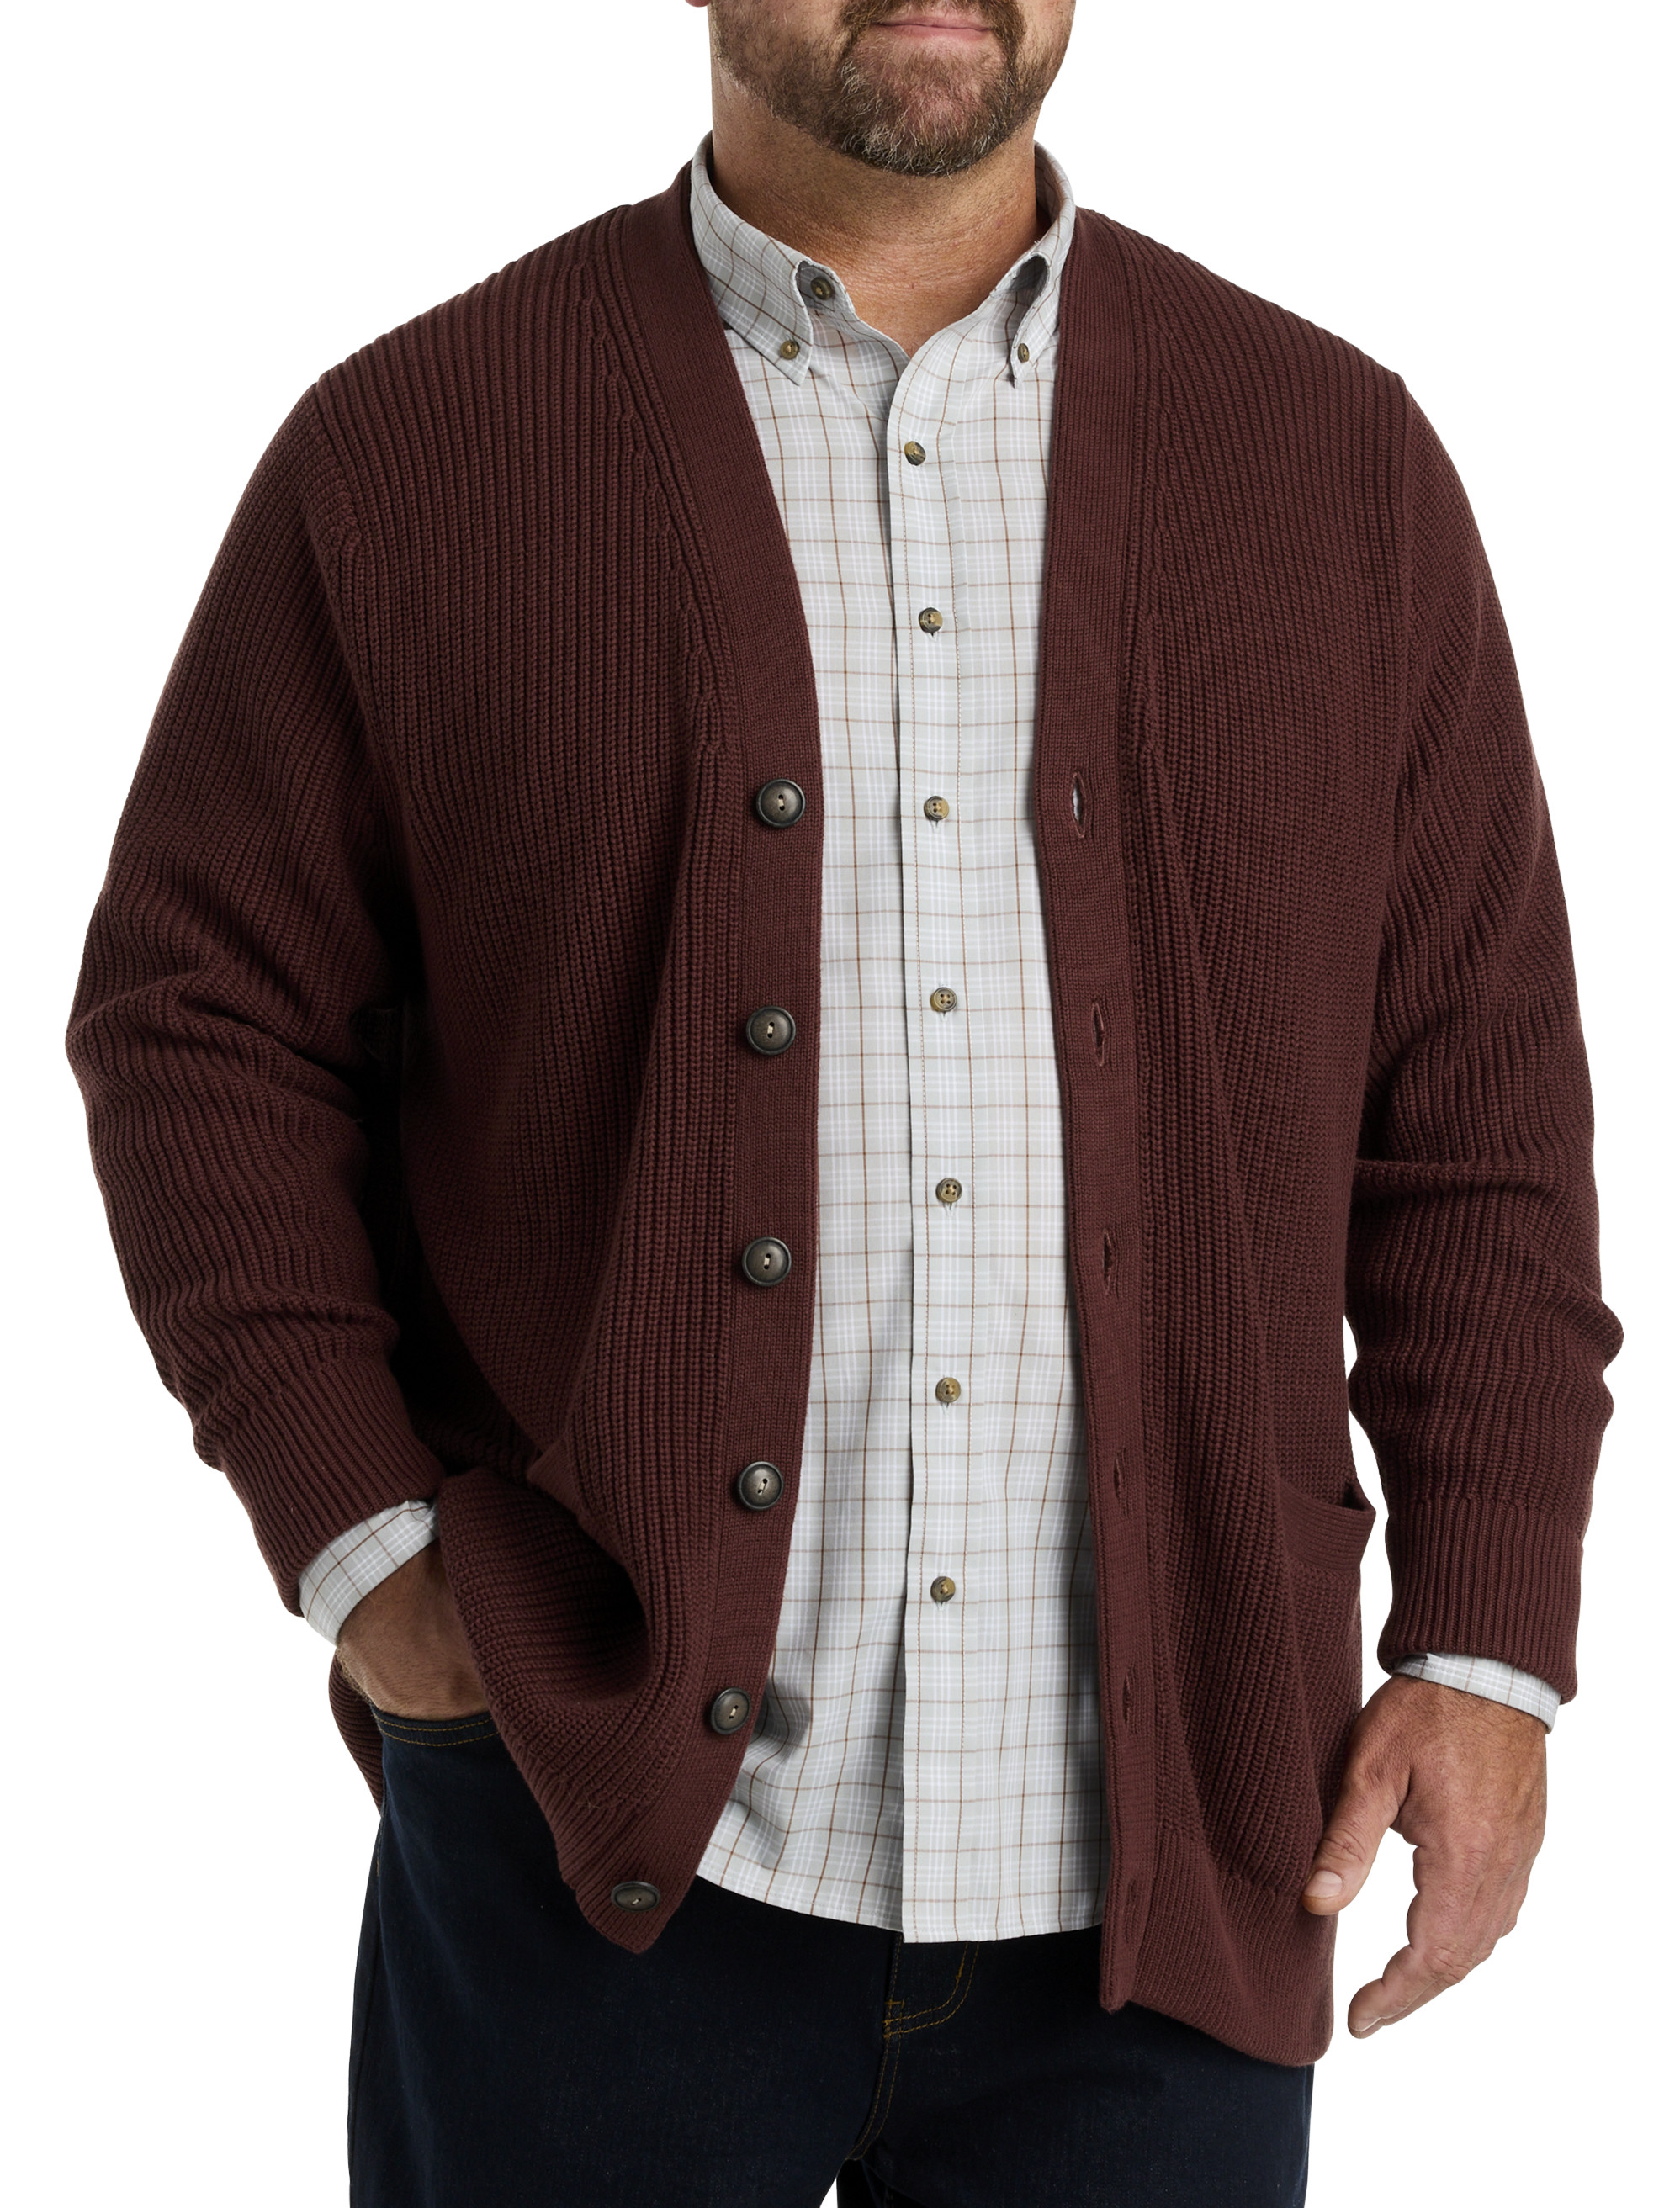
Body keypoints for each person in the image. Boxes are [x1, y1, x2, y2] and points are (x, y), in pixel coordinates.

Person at [66, 3, 1620, 2202]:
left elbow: (1478, 1125)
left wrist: (1488, 1649)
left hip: (1175, 1885)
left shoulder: (1331, 460)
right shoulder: (415, 448)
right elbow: (194, 1017)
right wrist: (371, 1548)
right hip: (587, 1828)